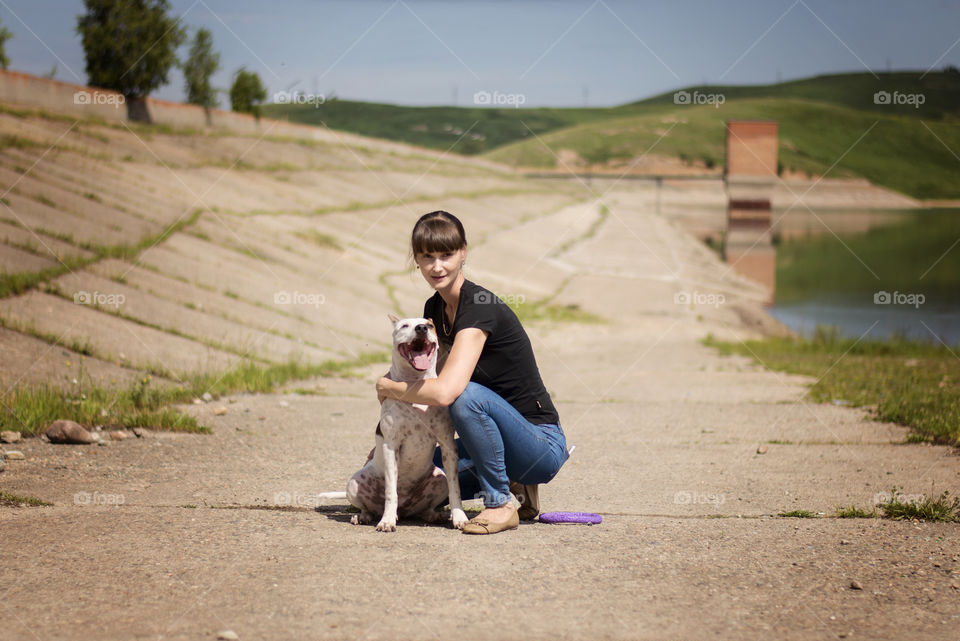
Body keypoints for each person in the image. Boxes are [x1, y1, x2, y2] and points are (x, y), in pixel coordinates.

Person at [376, 210, 569, 535]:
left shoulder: (479, 306)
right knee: (416, 472)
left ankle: (500, 503)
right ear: (417, 260)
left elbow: (445, 391)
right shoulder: (433, 310)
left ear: (463, 252)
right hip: (491, 438)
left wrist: (387, 386)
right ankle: (516, 485)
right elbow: (423, 379)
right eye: (427, 257)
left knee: (464, 396)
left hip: (539, 444)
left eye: (446, 255)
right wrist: (385, 431)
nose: (437, 266)